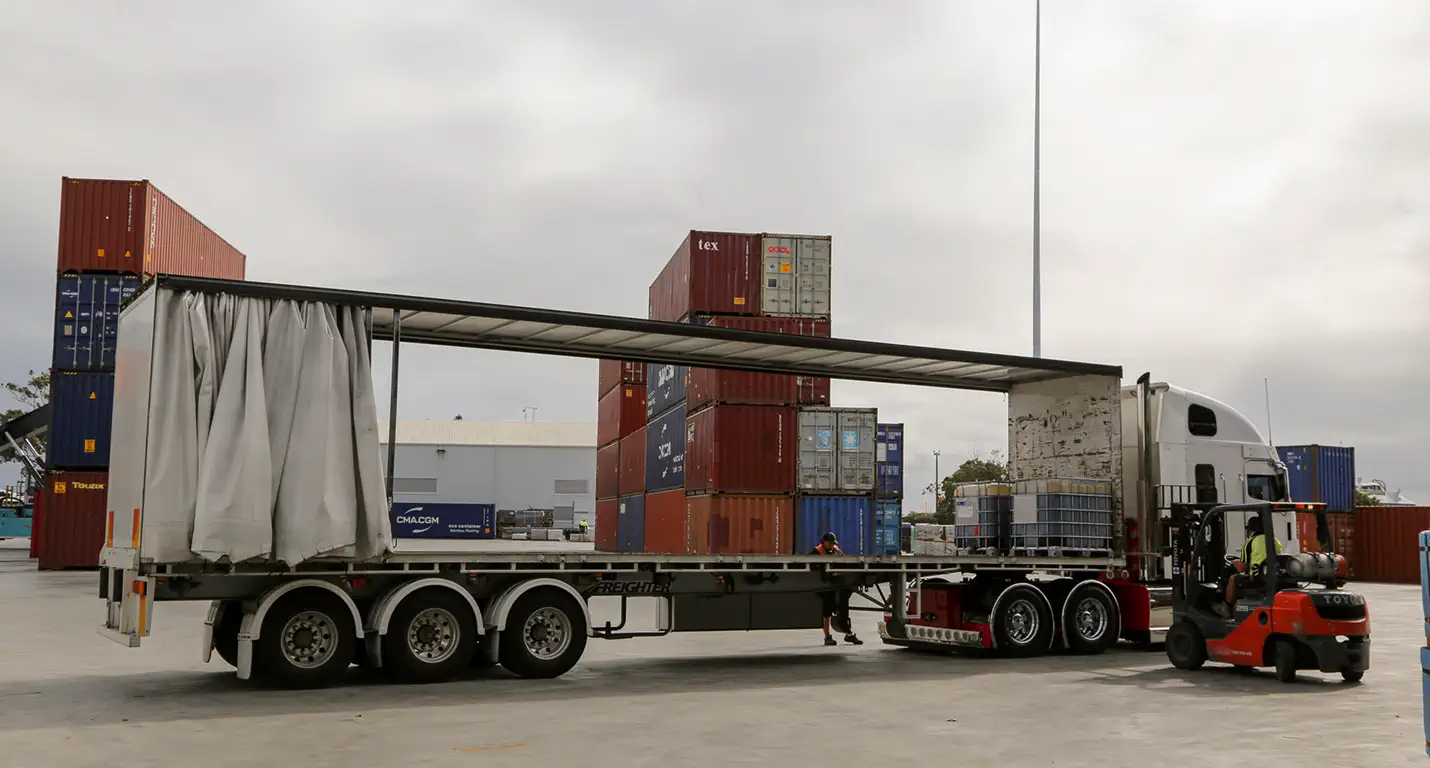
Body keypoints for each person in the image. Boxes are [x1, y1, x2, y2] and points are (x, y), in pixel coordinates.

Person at [810, 532, 863, 647]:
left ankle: (848, 633)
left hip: (838, 584)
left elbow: (844, 559)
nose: (831, 545)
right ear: (823, 542)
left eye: (833, 543)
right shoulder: (817, 552)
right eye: (829, 543)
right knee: (827, 612)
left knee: (843, 607)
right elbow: (807, 565)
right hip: (825, 586)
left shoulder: (836, 550)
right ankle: (827, 636)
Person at [1224, 515, 1284, 610]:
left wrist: (1235, 563)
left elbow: (1243, 568)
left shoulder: (1250, 542)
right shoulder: (1276, 541)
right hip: (1274, 577)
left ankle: (1227, 607)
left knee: (1233, 578)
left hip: (1257, 579)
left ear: (1250, 530)